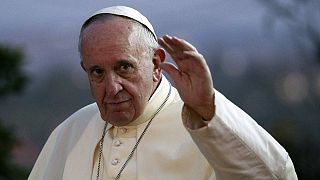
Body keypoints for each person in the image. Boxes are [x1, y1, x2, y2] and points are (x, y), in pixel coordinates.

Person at [28, 6, 298, 180]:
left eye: (124, 67)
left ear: (156, 64)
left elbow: (276, 176)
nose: (112, 87)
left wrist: (207, 109)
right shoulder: (70, 131)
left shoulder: (210, 126)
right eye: (97, 72)